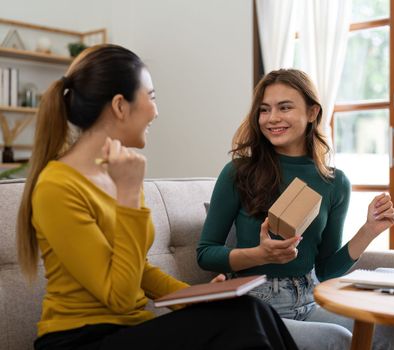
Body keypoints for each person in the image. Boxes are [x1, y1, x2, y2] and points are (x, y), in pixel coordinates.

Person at [16, 44, 298, 350]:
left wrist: (195, 297)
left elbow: (137, 268)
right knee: (243, 320)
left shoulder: (121, 172)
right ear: (120, 106)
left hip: (129, 331)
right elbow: (120, 298)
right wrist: (126, 195)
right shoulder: (57, 187)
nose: (156, 111)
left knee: (253, 309)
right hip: (79, 339)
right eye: (151, 98)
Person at [197, 68, 394, 350]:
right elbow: (205, 254)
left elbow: (325, 269)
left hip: (309, 299)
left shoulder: (334, 182)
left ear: (313, 112)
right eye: (264, 110)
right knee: (336, 341)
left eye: (284, 107)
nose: (272, 118)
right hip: (255, 305)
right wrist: (259, 254)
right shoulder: (238, 172)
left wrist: (369, 230)